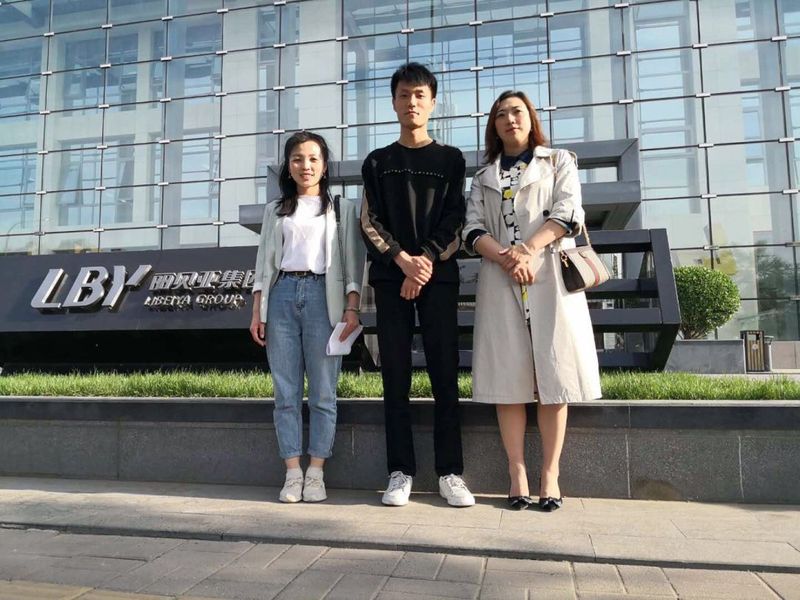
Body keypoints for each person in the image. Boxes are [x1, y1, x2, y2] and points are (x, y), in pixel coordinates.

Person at [463, 90, 602, 511]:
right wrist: (508, 258)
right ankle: (517, 472)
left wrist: (528, 250)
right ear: (493, 125)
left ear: (531, 118)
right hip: (501, 279)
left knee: (554, 378)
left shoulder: (558, 161)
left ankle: (550, 474)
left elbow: (568, 212)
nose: (510, 119)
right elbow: (472, 230)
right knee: (508, 380)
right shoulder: (483, 176)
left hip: (549, 277)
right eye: (501, 114)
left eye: (517, 111)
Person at [360, 62, 474, 508]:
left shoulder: (451, 160)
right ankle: (400, 471)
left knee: (445, 373)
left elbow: (456, 217)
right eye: (404, 95)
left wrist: (423, 261)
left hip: (437, 277)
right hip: (391, 278)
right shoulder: (378, 162)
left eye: (420, 95)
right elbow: (369, 222)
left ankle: (450, 472)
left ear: (433, 102)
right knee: (396, 376)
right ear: (393, 102)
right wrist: (403, 262)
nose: (412, 102)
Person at [250, 131, 364, 504]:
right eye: (297, 158)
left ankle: (316, 472)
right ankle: (292, 472)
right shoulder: (275, 210)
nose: (306, 165)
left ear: (325, 165)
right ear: (288, 166)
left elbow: (353, 264)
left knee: (323, 392)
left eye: (313, 158)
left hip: (323, 297)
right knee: (285, 392)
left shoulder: (341, 209)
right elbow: (263, 265)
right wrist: (258, 310)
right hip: (282, 295)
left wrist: (351, 307)